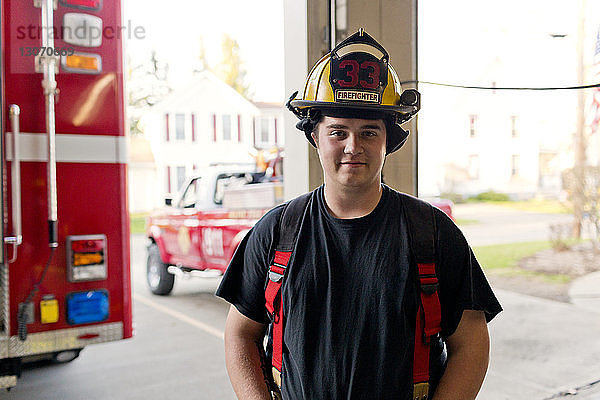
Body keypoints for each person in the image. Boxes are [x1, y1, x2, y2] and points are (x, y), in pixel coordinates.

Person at [216, 29, 502, 400]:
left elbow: (471, 342)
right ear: (315, 136)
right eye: (338, 132)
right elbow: (240, 333)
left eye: (369, 132)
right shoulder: (277, 232)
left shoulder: (431, 233)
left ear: (388, 141)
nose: (354, 147)